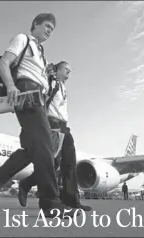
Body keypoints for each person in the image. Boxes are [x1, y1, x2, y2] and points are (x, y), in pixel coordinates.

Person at [0, 13, 79, 218]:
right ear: (35, 25)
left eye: (52, 29)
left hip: (37, 98)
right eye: (47, 26)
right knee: (44, 146)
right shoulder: (23, 39)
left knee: (33, 150)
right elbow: (4, 63)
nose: (50, 31)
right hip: (25, 91)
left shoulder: (42, 54)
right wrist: (10, 86)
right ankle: (50, 203)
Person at [17, 61, 92, 211]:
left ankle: (72, 201)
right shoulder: (51, 84)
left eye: (70, 70)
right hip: (53, 125)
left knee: (70, 164)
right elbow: (42, 103)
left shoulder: (63, 87)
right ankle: (26, 184)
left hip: (65, 127)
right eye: (66, 69)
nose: (69, 73)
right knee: (52, 164)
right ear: (57, 70)